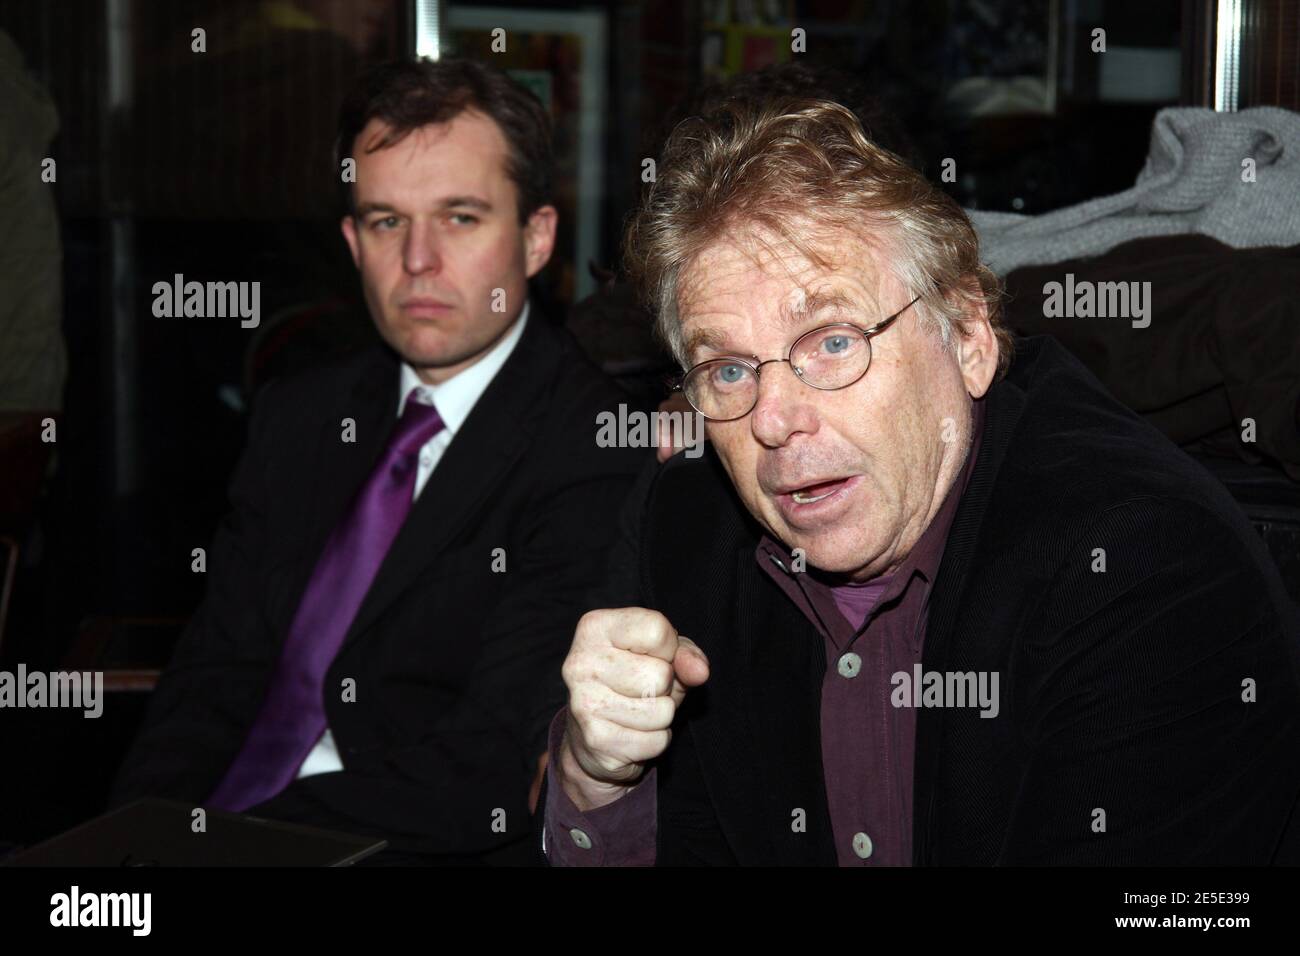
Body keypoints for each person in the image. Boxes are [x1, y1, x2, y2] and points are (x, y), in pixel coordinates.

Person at [537, 95, 1300, 865]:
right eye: (728, 369)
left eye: (832, 342)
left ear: (968, 337)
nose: (774, 418)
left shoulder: (1144, 565)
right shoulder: (693, 528)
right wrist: (600, 781)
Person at [110, 57, 648, 865]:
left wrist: (232, 850)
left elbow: (492, 761)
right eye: (387, 221)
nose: (419, 260)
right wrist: (130, 841)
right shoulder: (300, 414)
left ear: (536, 239)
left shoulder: (594, 447)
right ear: (352, 241)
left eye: (461, 218)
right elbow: (213, 675)